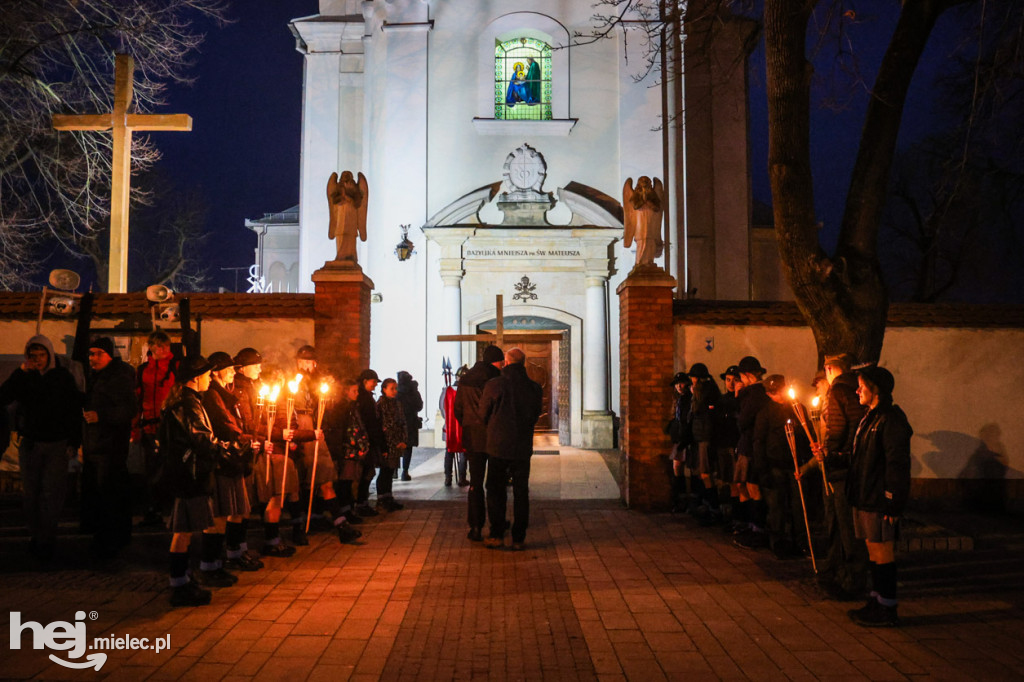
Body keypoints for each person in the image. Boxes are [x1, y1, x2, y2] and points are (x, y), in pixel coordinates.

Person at [159, 355, 250, 607]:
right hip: (189, 475)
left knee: (186, 531)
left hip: (187, 474)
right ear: (196, 377)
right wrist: (230, 449)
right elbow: (201, 439)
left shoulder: (188, 400)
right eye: (207, 375)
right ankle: (179, 585)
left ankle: (184, 580)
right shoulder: (188, 404)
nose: (210, 379)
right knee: (183, 531)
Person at [0, 335, 82, 561]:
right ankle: (35, 535)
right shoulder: (25, 377)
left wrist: (74, 442)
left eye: (41, 355)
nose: (37, 359)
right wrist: (20, 372)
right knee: (31, 494)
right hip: (31, 443)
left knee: (51, 493)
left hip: (56, 443)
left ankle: (47, 539)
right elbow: (3, 397)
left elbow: (73, 411)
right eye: (33, 355)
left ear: (49, 355)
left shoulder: (62, 377)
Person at [846, 366, 912, 627]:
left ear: (876, 390)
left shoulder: (890, 420)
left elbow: (897, 464)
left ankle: (887, 607)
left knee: (883, 551)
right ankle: (876, 600)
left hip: (878, 498)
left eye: (862, 386)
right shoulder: (870, 418)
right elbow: (861, 457)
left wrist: (892, 501)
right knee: (873, 551)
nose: (857, 391)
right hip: (865, 496)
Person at [813, 353, 868, 601]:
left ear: (829, 369)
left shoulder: (838, 391)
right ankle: (836, 567)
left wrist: (829, 451)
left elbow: (838, 428)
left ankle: (850, 578)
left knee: (844, 524)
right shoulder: (855, 389)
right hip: (851, 463)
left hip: (841, 466)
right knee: (841, 522)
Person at [201, 352, 262, 574]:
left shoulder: (226, 392)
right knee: (220, 513)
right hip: (224, 459)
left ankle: (234, 553)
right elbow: (225, 425)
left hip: (234, 457)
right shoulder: (212, 395)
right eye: (229, 369)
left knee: (238, 508)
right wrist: (248, 440)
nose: (233, 373)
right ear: (216, 372)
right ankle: (212, 564)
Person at [479, 348, 543, 550]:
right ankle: (518, 538)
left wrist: (494, 428)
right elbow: (535, 414)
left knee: (495, 490)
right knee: (521, 492)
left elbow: (483, 414)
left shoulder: (494, 385)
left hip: (498, 446)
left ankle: (497, 534)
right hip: (522, 447)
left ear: (506, 362)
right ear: (523, 363)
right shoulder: (534, 388)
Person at [81, 337, 138, 560]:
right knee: (103, 495)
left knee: (110, 496)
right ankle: (109, 538)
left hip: (110, 447)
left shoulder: (118, 378)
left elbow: (129, 409)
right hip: (96, 446)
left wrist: (101, 416)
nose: (93, 358)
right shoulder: (96, 376)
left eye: (98, 354)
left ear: (109, 355)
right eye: (91, 353)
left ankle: (110, 541)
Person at [230, 347, 290, 559]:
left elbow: (263, 418)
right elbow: (249, 424)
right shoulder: (239, 390)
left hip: (259, 446)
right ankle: (239, 548)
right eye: (255, 365)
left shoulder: (255, 387)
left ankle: (258, 543)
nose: (259, 369)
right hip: (249, 449)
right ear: (242, 368)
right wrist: (269, 436)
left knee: (259, 496)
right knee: (245, 501)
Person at [755, 374, 814, 560]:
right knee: (777, 507)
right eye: (772, 392)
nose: (777, 395)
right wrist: (762, 470)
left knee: (798, 506)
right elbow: (759, 441)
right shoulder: (765, 412)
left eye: (779, 390)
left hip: (796, 465)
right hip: (775, 464)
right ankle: (778, 542)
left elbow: (807, 432)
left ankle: (800, 542)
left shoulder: (796, 408)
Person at [454, 345, 504, 541]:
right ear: (496, 361)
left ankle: (475, 526)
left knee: (475, 482)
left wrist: (468, 425)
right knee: (495, 483)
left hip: (473, 437)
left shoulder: (465, 380)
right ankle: (496, 525)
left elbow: (458, 410)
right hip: (494, 437)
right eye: (501, 362)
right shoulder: (497, 380)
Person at [134, 331, 179, 526]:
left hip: (170, 427)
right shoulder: (143, 370)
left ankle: (169, 511)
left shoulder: (175, 367)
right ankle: (153, 511)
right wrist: (135, 427)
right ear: (151, 347)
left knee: (169, 470)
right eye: (159, 346)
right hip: (149, 428)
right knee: (151, 471)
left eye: (165, 345)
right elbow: (138, 398)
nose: (163, 349)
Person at [733, 356, 772, 549]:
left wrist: (739, 397)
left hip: (750, 445)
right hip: (747, 444)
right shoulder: (753, 393)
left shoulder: (754, 394)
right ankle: (750, 525)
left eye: (741, 376)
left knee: (752, 486)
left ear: (748, 376)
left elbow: (743, 420)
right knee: (744, 484)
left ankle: (757, 529)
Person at [322, 376, 367, 542]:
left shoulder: (352, 407)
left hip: (350, 447)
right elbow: (339, 429)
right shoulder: (341, 408)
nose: (357, 393)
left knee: (346, 481)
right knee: (343, 482)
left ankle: (346, 513)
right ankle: (344, 514)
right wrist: (340, 448)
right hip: (345, 448)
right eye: (354, 391)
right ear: (346, 392)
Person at [687, 363, 723, 524]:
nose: (692, 381)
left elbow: (703, 415)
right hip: (700, 438)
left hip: (704, 439)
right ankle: (707, 506)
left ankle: (713, 508)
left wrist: (694, 395)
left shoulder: (706, 394)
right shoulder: (703, 392)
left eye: (693, 378)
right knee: (701, 473)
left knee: (705, 473)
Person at [717, 365, 743, 531]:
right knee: (727, 480)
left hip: (736, 443)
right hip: (724, 443)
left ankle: (738, 517)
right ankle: (729, 515)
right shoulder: (722, 400)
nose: (731, 383)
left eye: (734, 380)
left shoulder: (742, 399)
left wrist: (738, 397)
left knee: (738, 482)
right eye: (728, 380)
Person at [355, 369, 384, 518]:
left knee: (368, 472)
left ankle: (362, 502)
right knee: (366, 472)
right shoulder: (363, 398)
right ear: (365, 381)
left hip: (370, 438)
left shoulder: (367, 397)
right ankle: (361, 503)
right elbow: (368, 421)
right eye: (373, 382)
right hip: (367, 440)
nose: (375, 385)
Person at [375, 378, 407, 512]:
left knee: (390, 470)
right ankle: (382, 498)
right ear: (384, 389)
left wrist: (403, 439)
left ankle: (388, 496)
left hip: (396, 442)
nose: (394, 391)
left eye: (395, 388)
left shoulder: (397, 403)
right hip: (387, 443)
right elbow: (382, 425)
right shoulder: (381, 405)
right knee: (385, 470)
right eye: (391, 388)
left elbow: (402, 421)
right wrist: (387, 443)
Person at [666, 371, 691, 513]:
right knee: (677, 467)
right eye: (677, 384)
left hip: (685, 437)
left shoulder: (688, 399)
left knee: (682, 467)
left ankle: (683, 500)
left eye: (681, 383)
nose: (679, 386)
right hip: (679, 437)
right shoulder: (678, 400)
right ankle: (680, 499)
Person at [439, 368, 468, 487]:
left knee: (449, 452)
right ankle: (461, 477)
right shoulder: (467, 390)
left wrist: (448, 419)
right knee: (463, 453)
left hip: (450, 426)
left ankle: (448, 477)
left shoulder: (447, 390)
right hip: (463, 426)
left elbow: (442, 407)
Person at [395, 371, 423, 481]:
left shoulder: (396, 391)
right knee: (408, 447)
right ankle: (405, 471)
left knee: (396, 445)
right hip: (411, 421)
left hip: (398, 422)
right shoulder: (414, 391)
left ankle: (394, 471)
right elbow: (419, 406)